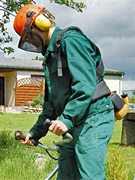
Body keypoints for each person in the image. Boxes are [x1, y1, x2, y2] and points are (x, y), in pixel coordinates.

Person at [13, 4, 115, 180]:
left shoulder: (71, 40)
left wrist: (66, 119)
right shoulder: (51, 57)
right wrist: (35, 133)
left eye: (30, 36)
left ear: (41, 24)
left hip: (93, 117)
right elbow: (50, 103)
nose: (31, 42)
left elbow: (85, 85)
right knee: (66, 175)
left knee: (90, 176)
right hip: (75, 121)